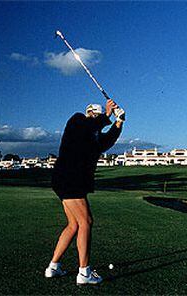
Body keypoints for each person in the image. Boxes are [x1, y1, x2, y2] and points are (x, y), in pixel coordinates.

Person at [45, 99, 124, 285]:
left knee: (73, 224)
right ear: (89, 113)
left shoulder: (93, 138)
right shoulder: (77, 121)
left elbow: (108, 140)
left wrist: (119, 122)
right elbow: (89, 126)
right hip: (69, 179)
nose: (94, 118)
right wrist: (107, 115)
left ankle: (53, 267)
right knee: (86, 221)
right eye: (93, 115)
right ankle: (84, 273)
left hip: (69, 181)